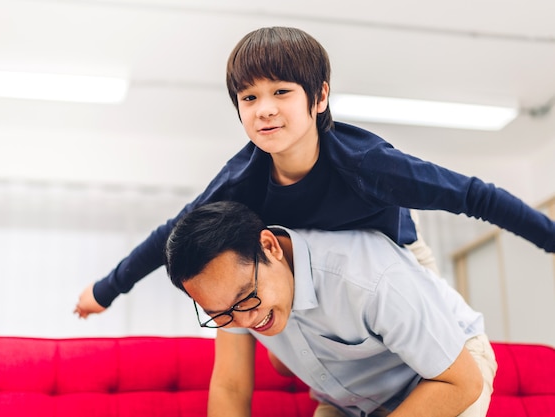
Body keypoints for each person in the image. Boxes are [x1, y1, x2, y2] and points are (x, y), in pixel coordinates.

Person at [74, 26, 555, 318]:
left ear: (320, 97)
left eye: (281, 92)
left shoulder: (369, 164)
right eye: (249, 98)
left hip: (397, 259)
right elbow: (173, 233)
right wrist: (105, 289)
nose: (264, 110)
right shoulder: (241, 180)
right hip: (319, 275)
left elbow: (476, 196)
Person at [165, 200, 497, 417]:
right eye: (221, 315)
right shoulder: (228, 295)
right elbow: (231, 388)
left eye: (247, 298)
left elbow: (462, 382)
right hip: (349, 400)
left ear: (269, 246)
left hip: (445, 370)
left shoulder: (366, 276)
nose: (244, 320)